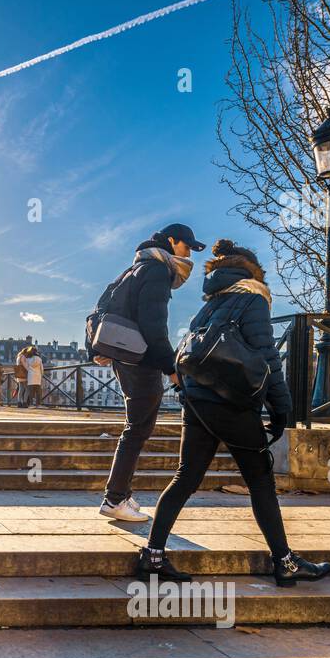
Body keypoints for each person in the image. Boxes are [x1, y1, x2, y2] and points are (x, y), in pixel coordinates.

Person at [139, 239, 330, 588]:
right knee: (260, 481)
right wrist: (282, 407)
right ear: (253, 271)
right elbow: (267, 357)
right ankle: (285, 562)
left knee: (185, 477)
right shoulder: (253, 298)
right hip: (231, 403)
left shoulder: (212, 303)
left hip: (197, 401)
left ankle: (152, 554)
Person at [98, 223, 204, 524]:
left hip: (125, 355)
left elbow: (102, 306)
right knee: (138, 429)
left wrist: (98, 347)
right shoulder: (157, 270)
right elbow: (154, 325)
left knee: (135, 427)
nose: (189, 255)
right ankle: (115, 498)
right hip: (141, 358)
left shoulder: (134, 268)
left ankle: (119, 493)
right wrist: (170, 367)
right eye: (187, 246)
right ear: (172, 242)